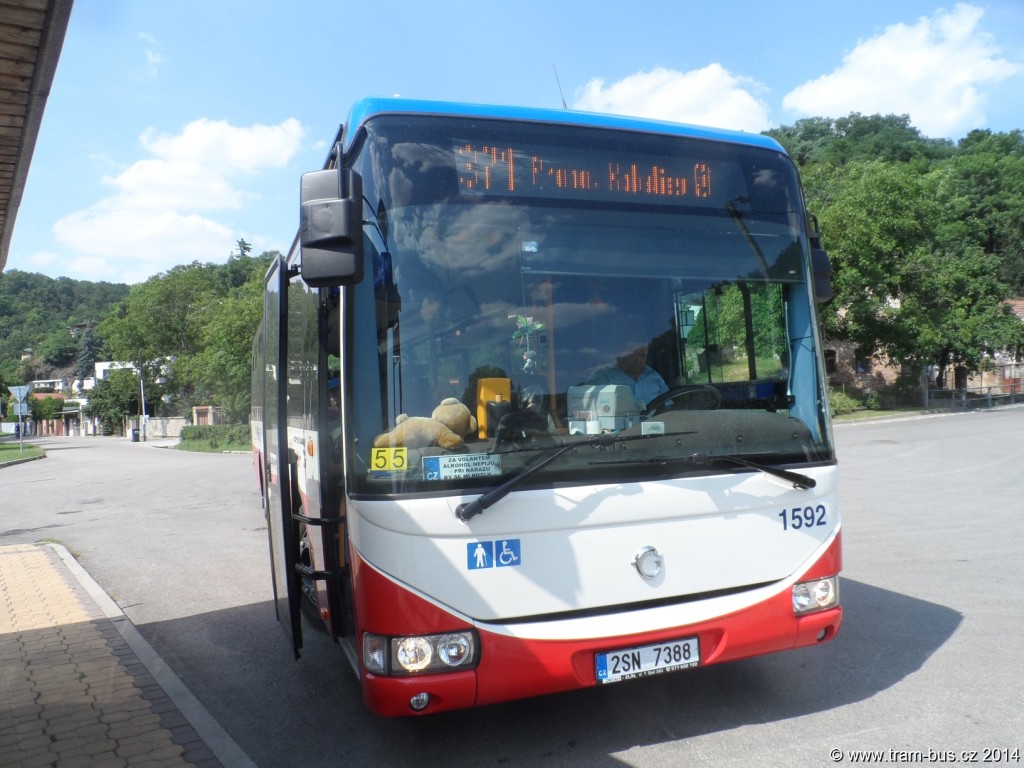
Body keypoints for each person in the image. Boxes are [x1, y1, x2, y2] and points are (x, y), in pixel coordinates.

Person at [585, 321, 669, 409]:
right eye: (633, 355)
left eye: (642, 355)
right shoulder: (602, 377)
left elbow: (669, 408)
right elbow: (583, 406)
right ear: (620, 352)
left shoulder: (654, 377)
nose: (638, 360)